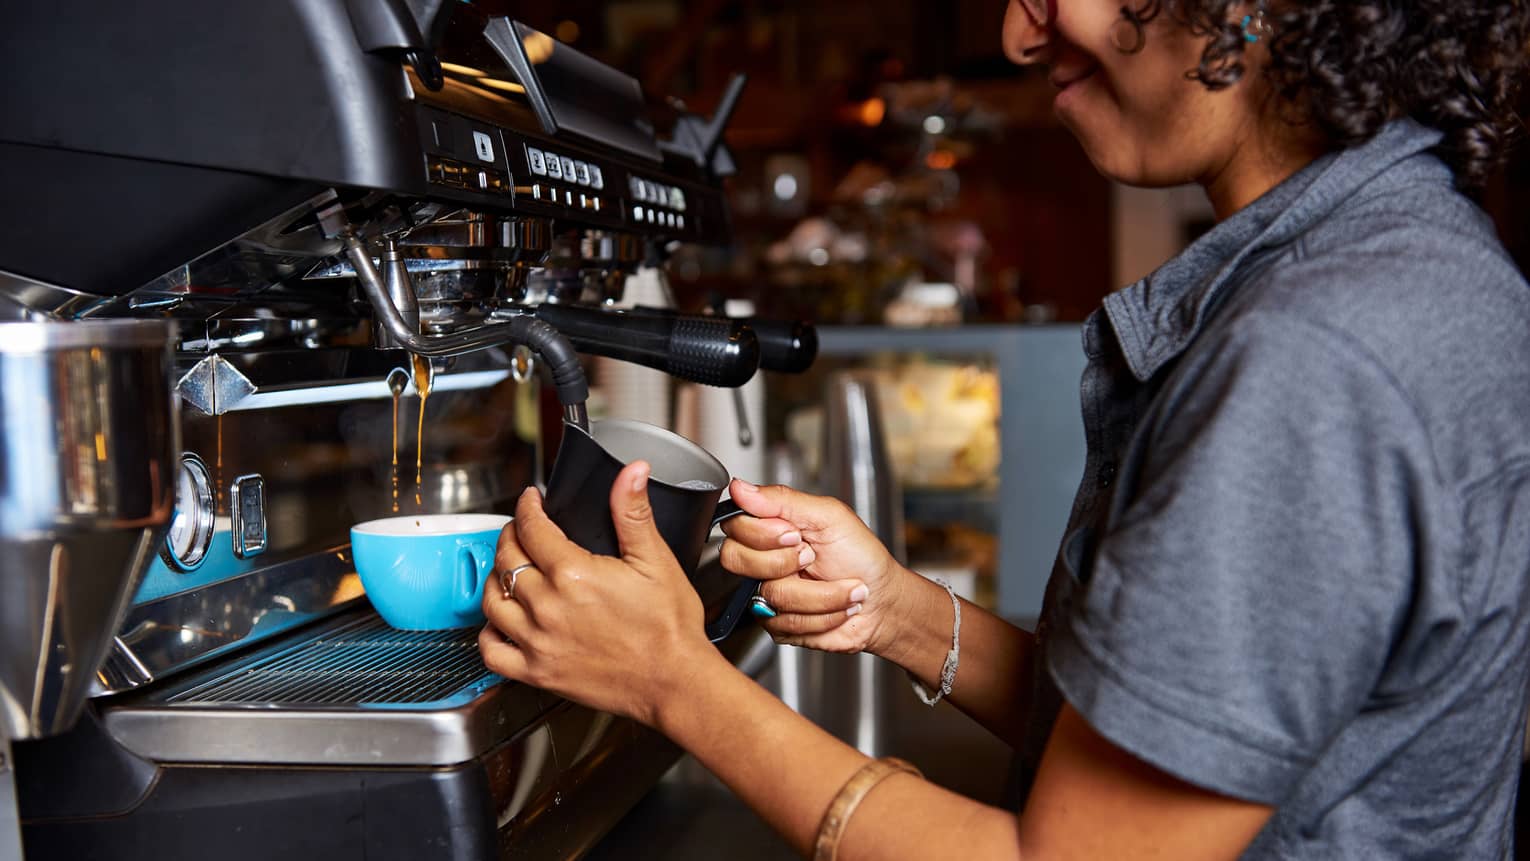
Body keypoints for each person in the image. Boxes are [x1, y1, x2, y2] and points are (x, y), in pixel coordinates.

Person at [479, 0, 1530, 856]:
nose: (1017, 36)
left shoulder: (1322, 350)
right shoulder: (1415, 265)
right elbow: (1198, 730)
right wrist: (892, 608)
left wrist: (672, 679)